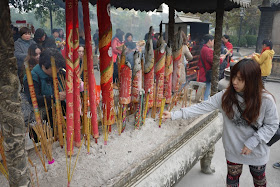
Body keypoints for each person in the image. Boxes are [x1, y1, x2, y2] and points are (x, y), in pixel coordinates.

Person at [162, 59, 279, 187]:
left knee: (259, 181)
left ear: (252, 79)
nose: (234, 82)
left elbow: (272, 124)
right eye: (234, 77)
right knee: (232, 179)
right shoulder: (226, 96)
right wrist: (174, 115)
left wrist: (253, 141)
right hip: (234, 149)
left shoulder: (266, 100)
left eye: (240, 79)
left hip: (258, 150)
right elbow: (202, 107)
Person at [198, 34, 226, 100]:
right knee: (206, 93)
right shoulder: (208, 50)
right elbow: (214, 61)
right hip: (206, 74)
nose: (213, 43)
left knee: (203, 92)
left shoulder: (203, 48)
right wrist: (222, 58)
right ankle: (205, 105)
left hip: (202, 73)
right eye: (213, 41)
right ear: (209, 41)